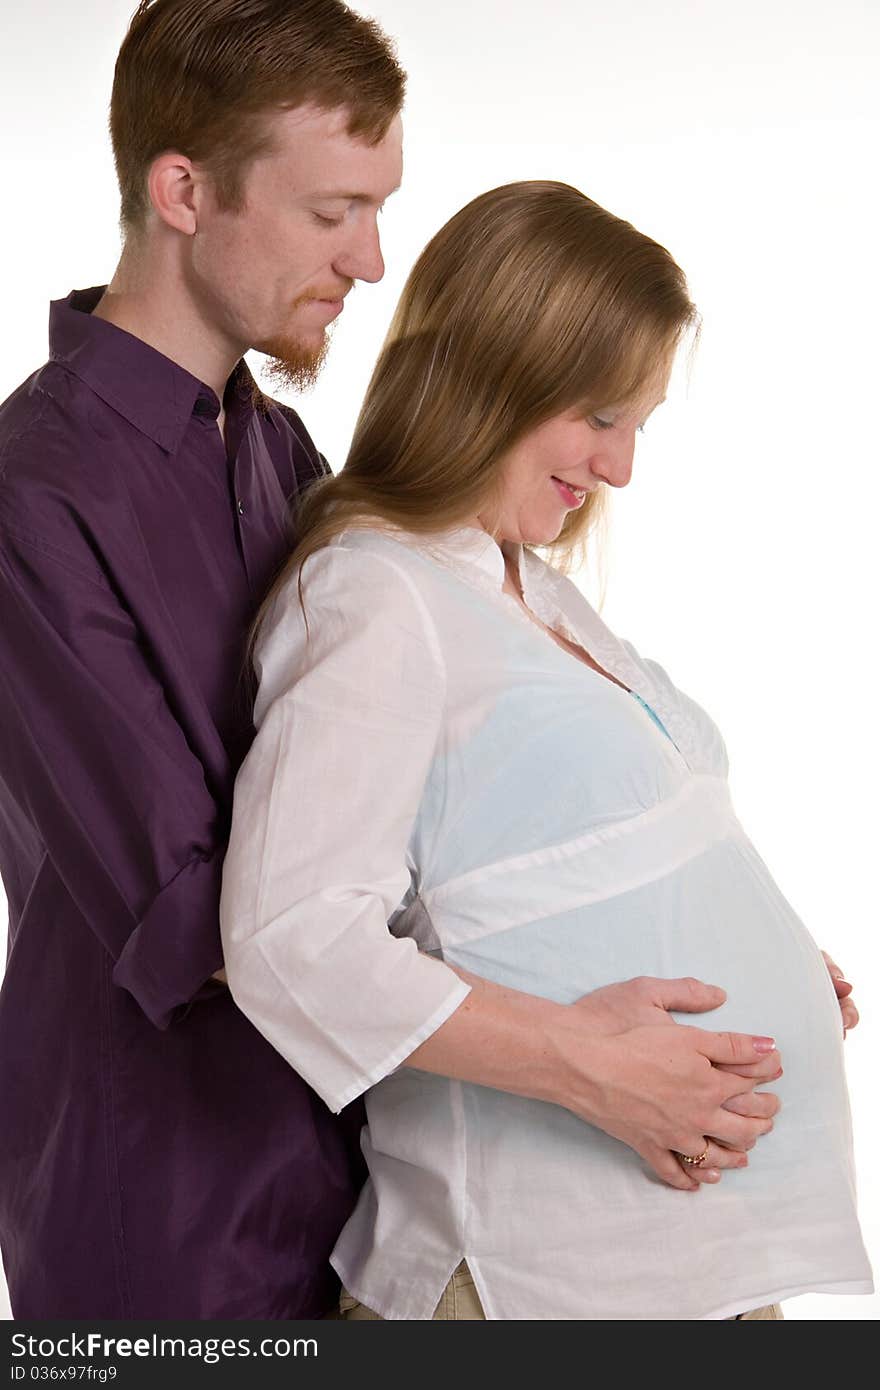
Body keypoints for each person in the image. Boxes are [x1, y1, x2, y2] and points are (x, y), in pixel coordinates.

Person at [219, 180, 873, 1319]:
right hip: (524, 1276)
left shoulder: (530, 584)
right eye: (600, 416)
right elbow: (292, 938)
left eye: (639, 427)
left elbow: (556, 860)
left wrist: (752, 951)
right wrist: (597, 1065)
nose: (618, 469)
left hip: (677, 1265)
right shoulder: (376, 592)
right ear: (493, 372)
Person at [0, 0, 406, 1319]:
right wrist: (571, 1047)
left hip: (350, 1191)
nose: (374, 258)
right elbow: (205, 912)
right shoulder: (32, 488)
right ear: (183, 190)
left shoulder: (275, 453)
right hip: (157, 1229)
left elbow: (407, 769)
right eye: (333, 210)